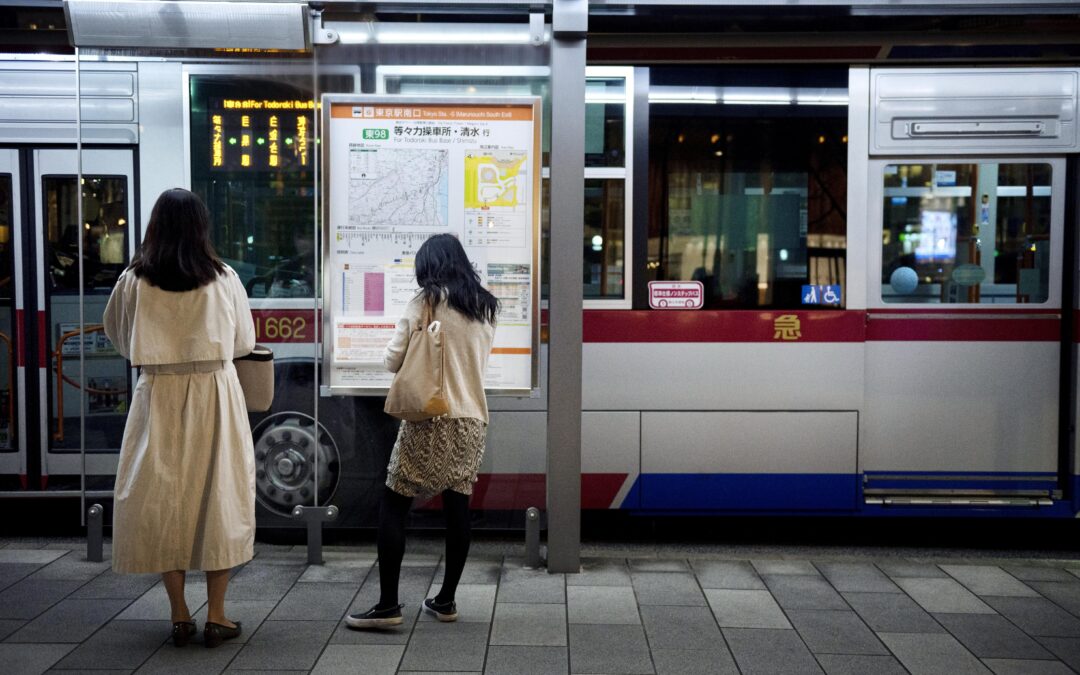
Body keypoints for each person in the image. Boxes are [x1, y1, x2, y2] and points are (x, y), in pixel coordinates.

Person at [103, 188, 256, 649]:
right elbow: (244, 342)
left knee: (162, 497)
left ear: (155, 227)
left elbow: (118, 333)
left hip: (158, 394)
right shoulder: (224, 277)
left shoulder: (134, 279)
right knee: (220, 496)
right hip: (214, 391)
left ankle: (178, 613)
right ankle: (218, 615)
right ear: (201, 228)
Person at [346, 233, 498, 629]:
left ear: (428, 267)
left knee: (394, 503)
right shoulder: (485, 305)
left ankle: (388, 606)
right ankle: (446, 600)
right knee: (458, 506)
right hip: (472, 420)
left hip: (432, 418)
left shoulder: (425, 302)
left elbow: (393, 359)